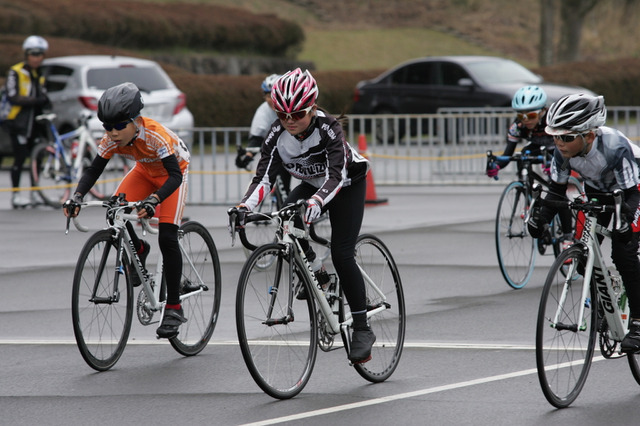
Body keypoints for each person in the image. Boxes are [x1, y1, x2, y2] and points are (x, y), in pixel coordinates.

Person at [228, 68, 374, 363]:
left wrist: (318, 202)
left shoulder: (328, 127)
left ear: (313, 108)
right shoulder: (276, 136)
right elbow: (263, 179)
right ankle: (318, 274)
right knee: (284, 220)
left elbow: (336, 175)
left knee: (342, 253)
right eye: (282, 115)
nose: (290, 121)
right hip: (311, 186)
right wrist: (244, 206)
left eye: (297, 114)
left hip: (345, 185)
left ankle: (362, 327)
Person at [62, 82, 191, 339]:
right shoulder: (111, 139)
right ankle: (139, 249)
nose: (113, 132)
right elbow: (94, 170)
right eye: (107, 126)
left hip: (172, 176)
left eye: (120, 126)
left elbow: (174, 176)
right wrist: (76, 196)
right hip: (144, 171)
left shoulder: (155, 135)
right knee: (114, 209)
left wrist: (154, 200)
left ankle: (174, 307)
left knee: (167, 236)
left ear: (136, 121)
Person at [527, 93, 640, 353]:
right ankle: (604, 304)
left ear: (588, 135)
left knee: (623, 253)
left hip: (633, 189)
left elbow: (632, 194)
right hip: (599, 190)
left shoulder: (615, 146)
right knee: (583, 253)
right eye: (555, 136)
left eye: (566, 137)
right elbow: (556, 191)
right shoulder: (562, 151)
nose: (559, 142)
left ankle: (637, 321)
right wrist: (541, 220)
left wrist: (623, 221)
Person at [487, 85, 573, 251]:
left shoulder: (552, 119)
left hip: (556, 146)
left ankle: (568, 236)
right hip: (536, 146)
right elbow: (508, 154)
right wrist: (496, 164)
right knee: (522, 155)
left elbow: (567, 146)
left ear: (542, 111)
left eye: (531, 115)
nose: (525, 119)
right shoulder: (517, 126)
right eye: (521, 115)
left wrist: (554, 166)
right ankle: (530, 200)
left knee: (557, 191)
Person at [4, 35, 50, 208]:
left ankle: (34, 193)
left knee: (36, 158)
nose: (37, 57)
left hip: (35, 123)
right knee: (20, 157)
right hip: (18, 123)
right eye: (33, 53)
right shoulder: (16, 71)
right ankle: (16, 195)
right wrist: (35, 100)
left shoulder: (40, 73)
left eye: (40, 54)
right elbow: (12, 96)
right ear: (26, 54)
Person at [235, 73, 291, 195]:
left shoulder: (293, 107)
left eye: (275, 95)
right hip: (279, 153)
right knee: (277, 184)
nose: (271, 100)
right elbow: (256, 137)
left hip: (298, 150)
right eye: (267, 95)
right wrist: (248, 156)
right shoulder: (263, 111)